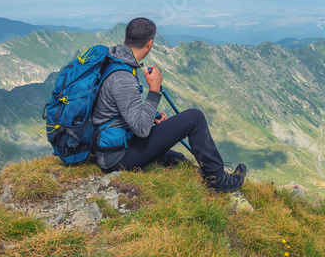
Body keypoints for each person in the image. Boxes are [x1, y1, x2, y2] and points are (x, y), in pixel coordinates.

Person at [90, 17, 246, 193]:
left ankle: (207, 175)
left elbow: (119, 111)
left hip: (112, 146)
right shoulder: (123, 78)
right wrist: (154, 90)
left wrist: (152, 116)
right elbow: (141, 129)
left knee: (177, 159)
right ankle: (219, 180)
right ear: (149, 44)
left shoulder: (114, 61)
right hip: (116, 157)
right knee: (195, 117)